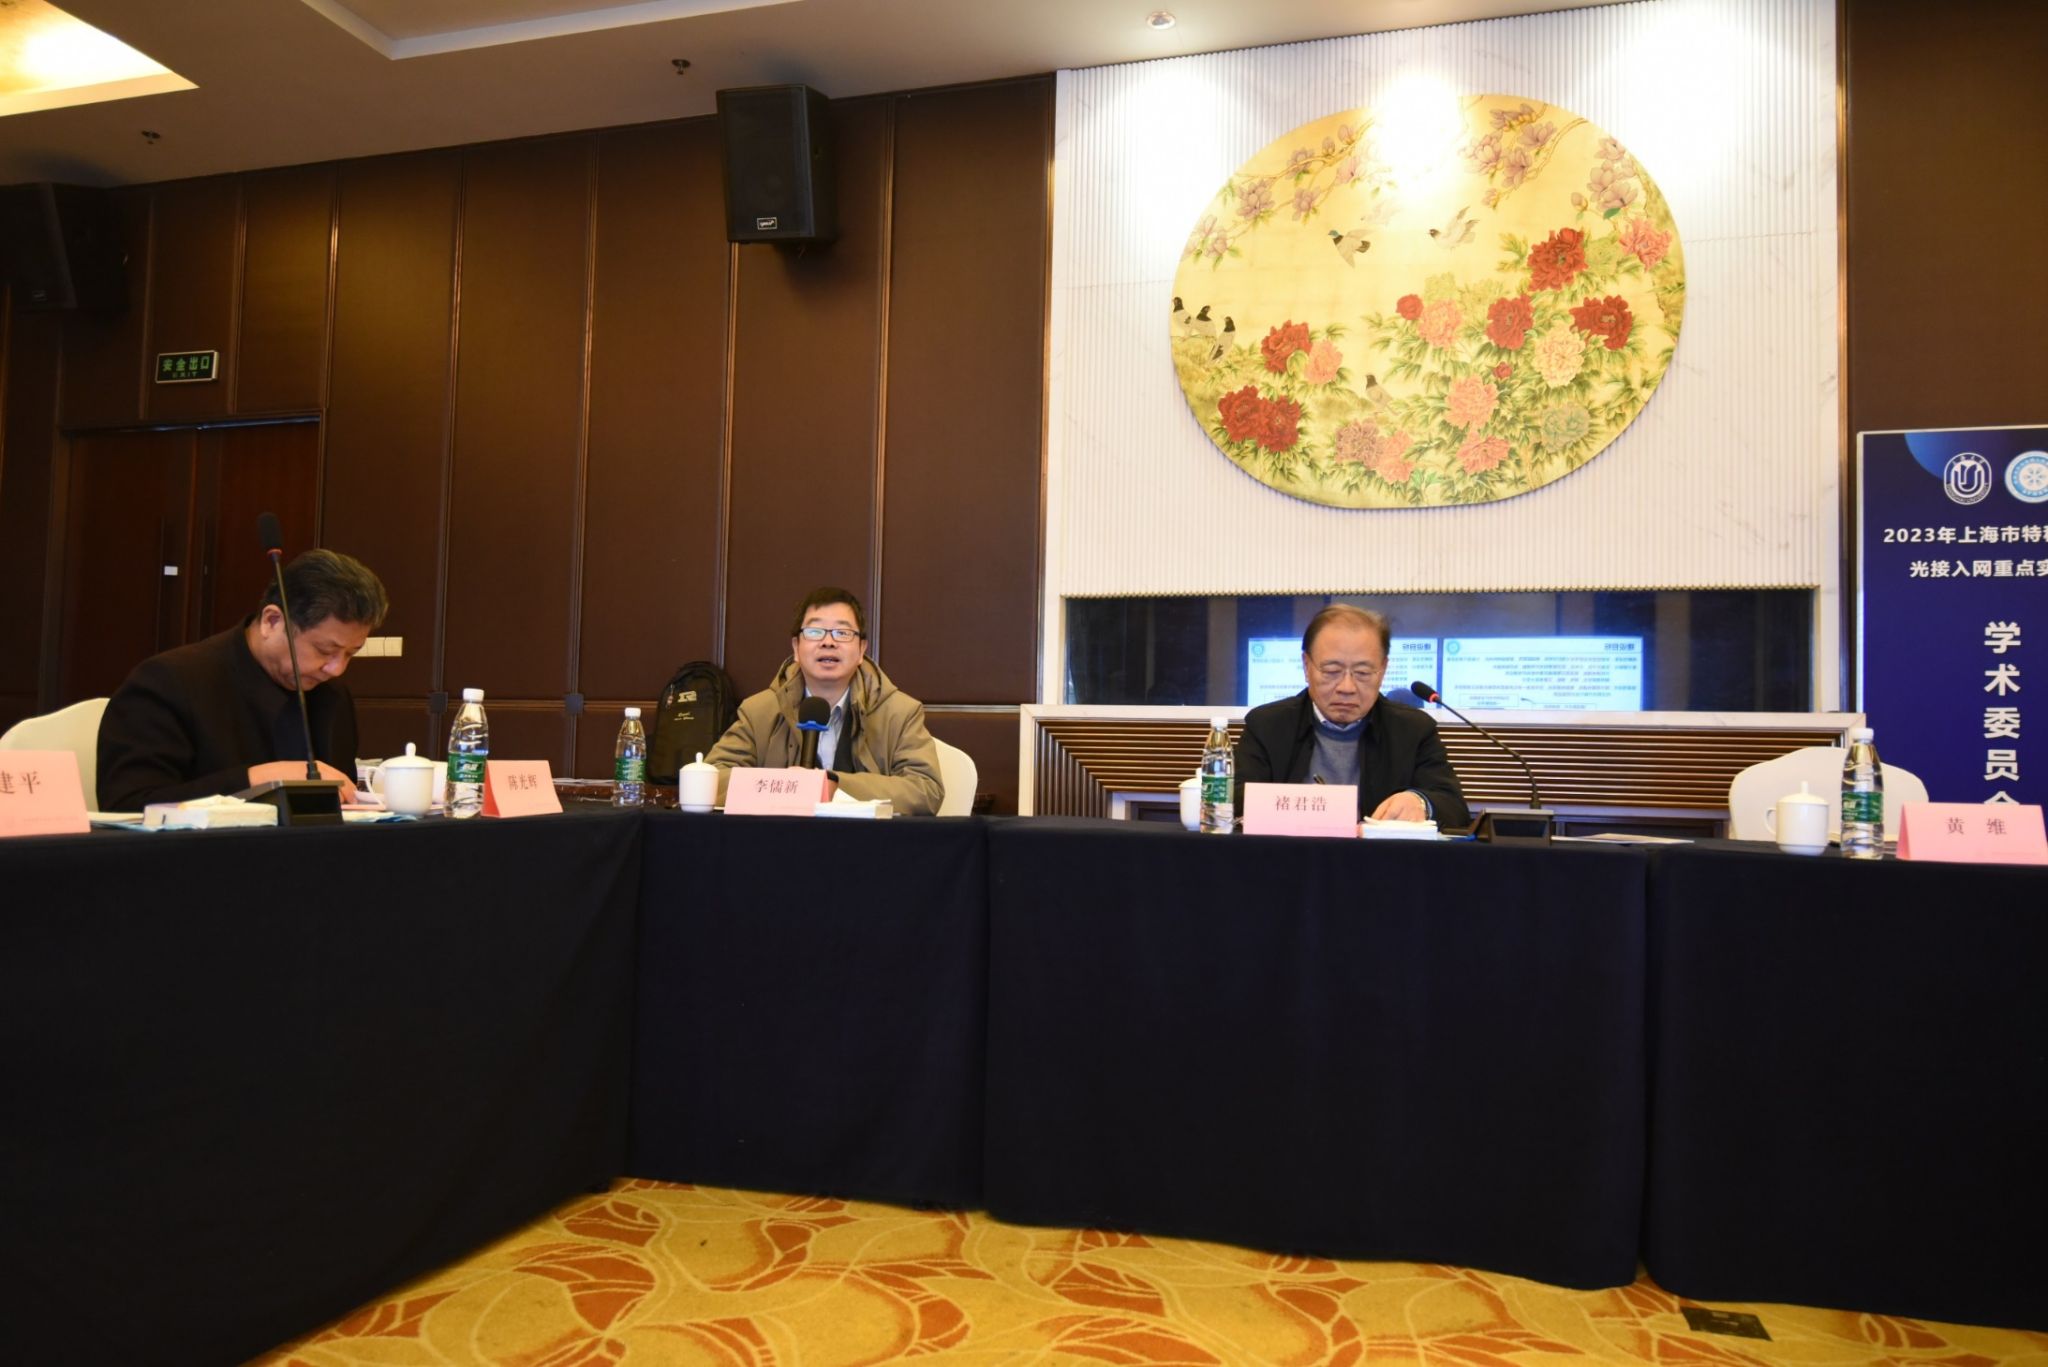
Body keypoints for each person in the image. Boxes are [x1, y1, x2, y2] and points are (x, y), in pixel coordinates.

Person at [97, 549, 389, 811]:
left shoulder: (332, 695)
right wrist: (261, 778)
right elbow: (127, 804)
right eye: (324, 650)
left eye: (351, 654)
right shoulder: (169, 682)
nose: (337, 669)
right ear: (272, 621)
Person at [705, 587, 944, 816]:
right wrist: (787, 786)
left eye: (842, 633)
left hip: (868, 842)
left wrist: (835, 786)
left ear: (862, 650)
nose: (828, 642)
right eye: (814, 631)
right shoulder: (759, 712)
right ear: (796, 647)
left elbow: (926, 789)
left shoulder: (899, 712)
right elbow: (710, 781)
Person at [1235, 605, 1470, 827]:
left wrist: (1420, 803)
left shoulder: (1412, 730)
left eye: (1363, 672)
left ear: (1383, 670)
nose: (1346, 687)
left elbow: (1454, 807)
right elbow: (1231, 801)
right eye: (1332, 671)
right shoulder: (1268, 726)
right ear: (1307, 666)